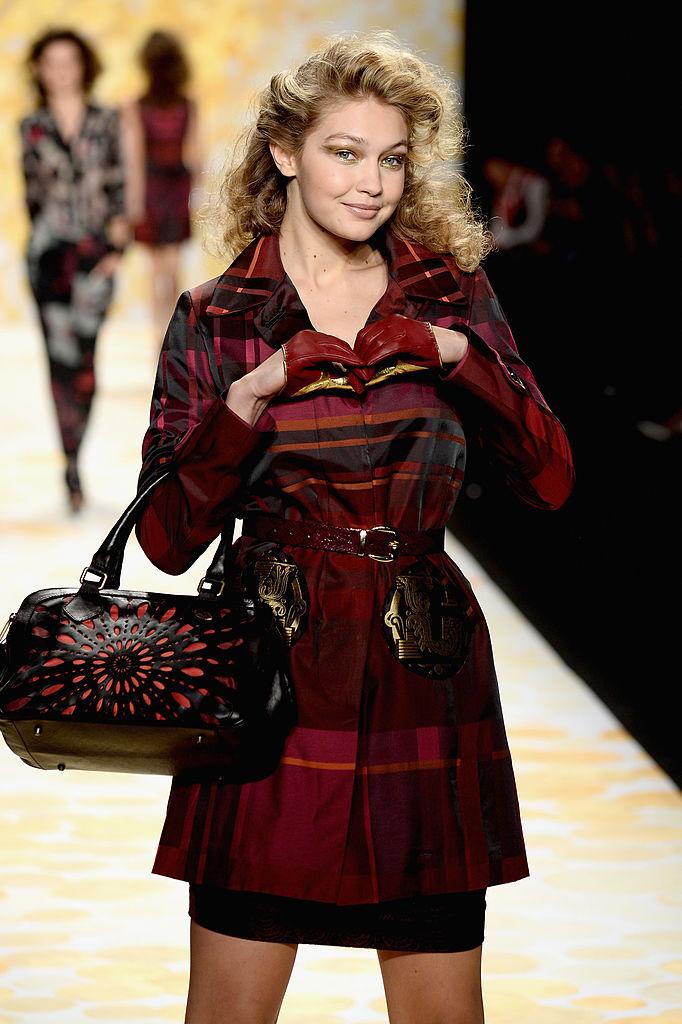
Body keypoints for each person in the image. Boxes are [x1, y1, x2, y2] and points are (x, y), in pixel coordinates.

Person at [135, 33, 574, 1024]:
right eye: (344, 152)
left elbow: (551, 480)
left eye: (392, 158)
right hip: (272, 679)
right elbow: (164, 540)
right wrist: (245, 399)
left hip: (424, 668)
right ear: (285, 152)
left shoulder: (451, 295)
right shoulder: (219, 318)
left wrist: (459, 357)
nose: (371, 182)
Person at [20, 28, 127, 512]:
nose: (61, 71)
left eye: (69, 61)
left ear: (84, 66)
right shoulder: (31, 126)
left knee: (85, 363)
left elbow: (118, 187)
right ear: (39, 70)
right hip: (49, 260)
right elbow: (32, 197)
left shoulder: (107, 121)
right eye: (51, 62)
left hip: (94, 257)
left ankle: (76, 447)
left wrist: (116, 250)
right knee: (58, 362)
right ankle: (71, 462)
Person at [122, 30, 200, 347]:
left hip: (153, 188)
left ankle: (160, 334)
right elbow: (196, 157)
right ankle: (172, 333)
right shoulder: (187, 105)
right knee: (171, 267)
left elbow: (134, 159)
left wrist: (134, 204)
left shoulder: (137, 106)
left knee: (157, 269)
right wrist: (196, 197)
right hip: (176, 186)